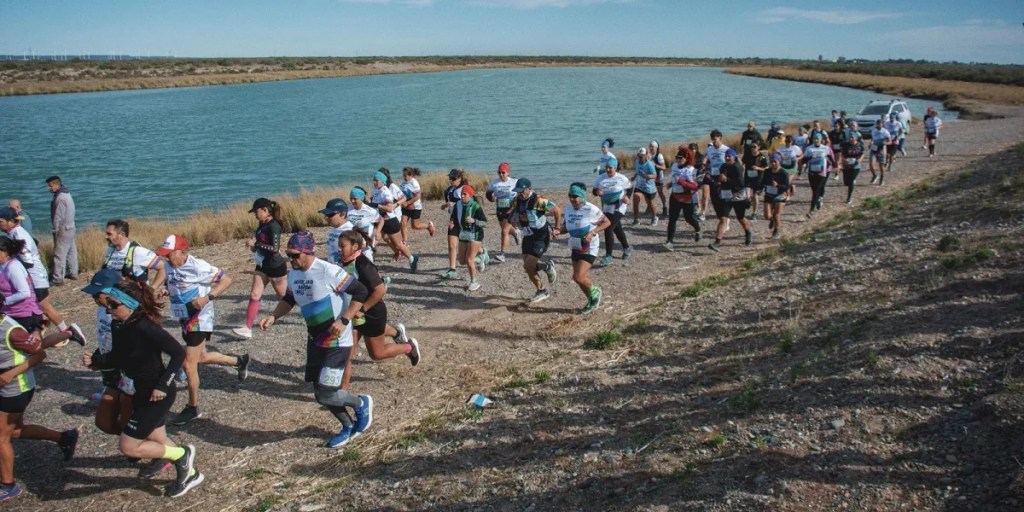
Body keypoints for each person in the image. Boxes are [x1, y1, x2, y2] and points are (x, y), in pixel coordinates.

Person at [81, 277, 203, 498]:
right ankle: (191, 473)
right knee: (158, 440)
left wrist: (163, 386)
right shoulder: (120, 325)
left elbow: (178, 353)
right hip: (140, 391)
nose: (109, 310)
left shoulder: (145, 327)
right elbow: (119, 357)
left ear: (130, 304)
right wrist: (98, 363)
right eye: (107, 304)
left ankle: (182, 454)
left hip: (157, 394)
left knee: (128, 446)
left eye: (114, 305)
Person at [258, 231, 373, 448]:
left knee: (326, 393)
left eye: (294, 255)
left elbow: (361, 291)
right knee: (320, 391)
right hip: (315, 340)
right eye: (288, 255)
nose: (291, 260)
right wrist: (274, 316)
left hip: (337, 342)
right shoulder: (294, 274)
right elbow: (290, 299)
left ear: (308, 252)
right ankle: (347, 426)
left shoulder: (328, 271)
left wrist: (345, 320)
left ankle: (361, 403)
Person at [155, 235, 249, 427]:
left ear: (182, 252)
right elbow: (173, 283)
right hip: (183, 316)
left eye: (169, 254)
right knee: (201, 357)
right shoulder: (168, 266)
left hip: (200, 319)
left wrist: (208, 297)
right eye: (164, 255)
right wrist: (166, 291)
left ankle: (192, 407)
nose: (166, 258)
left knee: (188, 364)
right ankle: (238, 361)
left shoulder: (198, 266)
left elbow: (226, 280)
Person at [0, 310, 80, 504]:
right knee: (16, 431)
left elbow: (39, 355)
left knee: (1, 438)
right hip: (6, 387)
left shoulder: (12, 332)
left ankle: (8, 486)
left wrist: (10, 374)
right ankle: (64, 437)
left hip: (15, 388)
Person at [0, 207, 84, 343]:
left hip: (36, 278)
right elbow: (35, 243)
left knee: (43, 307)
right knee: (39, 308)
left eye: (1, 221)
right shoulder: (15, 232)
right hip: (34, 277)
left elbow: (28, 261)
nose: (0, 224)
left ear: (10, 222)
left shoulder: (19, 235)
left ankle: (66, 332)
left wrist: (13, 268)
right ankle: (43, 335)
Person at [336, 231, 420, 368]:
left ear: (355, 247)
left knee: (377, 354)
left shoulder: (363, 265)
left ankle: (408, 347)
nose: (339, 249)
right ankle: (342, 389)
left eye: (342, 246)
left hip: (371, 313)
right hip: (352, 315)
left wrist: (363, 309)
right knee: (347, 357)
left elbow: (380, 290)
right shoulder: (342, 262)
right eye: (338, 245)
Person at [232, 198, 288, 339]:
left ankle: (310, 313)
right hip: (262, 266)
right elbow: (261, 244)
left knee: (286, 298)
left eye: (256, 211)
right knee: (254, 295)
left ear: (264, 210)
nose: (255, 215)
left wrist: (256, 244)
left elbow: (275, 249)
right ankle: (247, 328)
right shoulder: (261, 224)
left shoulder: (274, 226)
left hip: (276, 267)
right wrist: (253, 247)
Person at [558, 183, 611, 315]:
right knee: (578, 278)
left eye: (575, 196)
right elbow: (566, 227)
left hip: (589, 246)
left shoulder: (591, 209)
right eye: (570, 196)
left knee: (579, 276)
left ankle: (596, 292)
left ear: (582, 196)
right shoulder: (569, 208)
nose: (571, 199)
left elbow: (607, 222)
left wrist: (593, 232)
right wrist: (558, 231)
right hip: (575, 245)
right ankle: (591, 300)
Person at [509, 179, 560, 303]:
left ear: (529, 189)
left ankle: (543, 289)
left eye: (521, 191)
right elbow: (513, 214)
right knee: (528, 268)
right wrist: (513, 221)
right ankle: (544, 276)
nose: (519, 194)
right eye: (517, 191)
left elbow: (557, 210)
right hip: (527, 235)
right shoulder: (516, 200)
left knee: (528, 265)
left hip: (540, 236)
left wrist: (557, 228)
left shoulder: (539, 201)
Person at [371, 171, 420, 273]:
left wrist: (380, 206)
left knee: (398, 244)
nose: (374, 182)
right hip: (380, 220)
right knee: (381, 237)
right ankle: (369, 262)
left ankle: (412, 258)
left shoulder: (387, 191)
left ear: (383, 180)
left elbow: (390, 208)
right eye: (373, 180)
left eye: (376, 180)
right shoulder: (375, 190)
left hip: (390, 220)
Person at [708, 149, 753, 251]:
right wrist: (715, 180)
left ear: (734, 157)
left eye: (729, 156)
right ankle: (717, 243)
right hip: (726, 196)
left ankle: (748, 231)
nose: (727, 158)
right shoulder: (723, 166)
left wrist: (726, 180)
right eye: (726, 156)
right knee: (723, 219)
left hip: (738, 196)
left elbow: (741, 183)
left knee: (740, 218)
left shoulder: (737, 167)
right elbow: (720, 178)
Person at [592, 155, 631, 267]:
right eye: (607, 167)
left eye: (610, 168)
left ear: (615, 168)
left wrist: (627, 196)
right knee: (617, 228)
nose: (608, 169)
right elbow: (594, 190)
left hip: (619, 206)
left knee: (608, 227)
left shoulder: (621, 178)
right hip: (607, 207)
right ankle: (627, 248)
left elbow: (629, 187)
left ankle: (608, 256)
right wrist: (597, 192)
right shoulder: (601, 178)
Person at [662, 146, 702, 251]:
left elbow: (695, 187)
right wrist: (671, 183)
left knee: (688, 218)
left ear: (686, 158)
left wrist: (681, 182)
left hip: (688, 197)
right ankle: (669, 242)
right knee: (672, 219)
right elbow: (675, 178)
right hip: (675, 196)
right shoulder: (675, 166)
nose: (678, 160)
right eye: (677, 157)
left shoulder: (690, 170)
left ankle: (698, 229)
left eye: (680, 158)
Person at [450, 186, 487, 291]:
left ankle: (474, 282)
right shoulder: (458, 205)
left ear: (470, 195)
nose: (462, 196)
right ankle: (481, 256)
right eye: (461, 194)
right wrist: (452, 222)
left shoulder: (475, 206)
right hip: (463, 234)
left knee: (469, 260)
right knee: (461, 261)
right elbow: (454, 215)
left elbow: (484, 222)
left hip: (475, 235)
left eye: (464, 194)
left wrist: (474, 221)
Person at [45, 176, 77, 285]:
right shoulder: (67, 194)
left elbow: (58, 217)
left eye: (50, 186)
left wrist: (55, 230)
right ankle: (73, 272)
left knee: (59, 254)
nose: (48, 188)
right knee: (71, 251)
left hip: (63, 228)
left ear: (55, 184)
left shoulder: (60, 198)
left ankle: (57, 278)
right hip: (71, 226)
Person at [485, 162, 519, 263]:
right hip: (500, 210)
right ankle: (516, 233)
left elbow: (522, 192)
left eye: (503, 172)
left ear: (508, 173)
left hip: (511, 209)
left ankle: (502, 254)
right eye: (499, 172)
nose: (501, 174)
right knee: (506, 231)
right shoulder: (494, 183)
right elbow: (488, 194)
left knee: (504, 231)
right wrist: (491, 198)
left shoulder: (514, 182)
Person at [440, 169, 468, 279]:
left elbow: (469, 203)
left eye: (454, 179)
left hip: (465, 219)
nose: (451, 181)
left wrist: (454, 203)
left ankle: (482, 251)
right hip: (453, 219)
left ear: (460, 178)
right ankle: (452, 269)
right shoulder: (449, 190)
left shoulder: (465, 189)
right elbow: (449, 203)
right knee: (451, 244)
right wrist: (446, 205)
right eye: (450, 178)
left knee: (467, 243)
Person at [399, 167, 435, 246]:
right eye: (403, 175)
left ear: (410, 175)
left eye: (405, 175)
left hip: (415, 206)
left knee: (415, 226)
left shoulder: (414, 183)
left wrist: (408, 202)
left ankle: (428, 226)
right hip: (405, 206)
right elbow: (400, 193)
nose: (404, 177)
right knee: (403, 222)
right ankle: (404, 242)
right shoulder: (403, 182)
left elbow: (418, 196)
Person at [701, 130, 731, 221]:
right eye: (712, 139)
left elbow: (733, 162)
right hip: (713, 176)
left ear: (720, 138)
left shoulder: (726, 149)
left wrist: (727, 174)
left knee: (724, 198)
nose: (714, 141)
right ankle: (721, 217)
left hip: (724, 176)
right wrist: (705, 168)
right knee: (715, 199)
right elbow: (708, 162)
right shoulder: (710, 149)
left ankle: (725, 218)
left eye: (715, 139)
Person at [801, 134, 833, 217]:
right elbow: (804, 160)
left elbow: (831, 159)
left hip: (821, 172)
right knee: (814, 189)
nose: (816, 140)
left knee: (816, 190)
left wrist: (836, 167)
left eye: (817, 139)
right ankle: (819, 198)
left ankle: (811, 210)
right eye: (814, 139)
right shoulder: (809, 148)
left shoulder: (825, 148)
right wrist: (810, 157)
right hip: (811, 172)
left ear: (821, 140)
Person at [762, 153, 791, 240]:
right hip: (769, 194)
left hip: (780, 195)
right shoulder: (767, 172)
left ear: (779, 162)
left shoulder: (783, 173)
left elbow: (787, 186)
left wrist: (778, 185)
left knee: (777, 215)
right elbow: (763, 181)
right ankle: (772, 220)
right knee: (767, 215)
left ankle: (776, 231)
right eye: (771, 162)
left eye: (775, 162)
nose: (773, 164)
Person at [741, 141, 769, 220]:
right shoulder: (747, 155)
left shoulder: (761, 157)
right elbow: (742, 163)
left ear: (758, 147)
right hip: (748, 178)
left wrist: (758, 168)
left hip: (758, 179)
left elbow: (766, 167)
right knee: (747, 196)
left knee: (755, 196)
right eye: (751, 147)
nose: (752, 148)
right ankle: (748, 201)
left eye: (754, 147)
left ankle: (754, 213)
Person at [631, 147, 659, 226]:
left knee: (650, 204)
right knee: (635, 198)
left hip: (649, 187)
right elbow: (637, 171)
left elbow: (655, 175)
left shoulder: (649, 164)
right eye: (639, 155)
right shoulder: (636, 162)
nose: (640, 157)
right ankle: (636, 219)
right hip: (639, 186)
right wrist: (634, 177)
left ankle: (654, 217)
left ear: (646, 155)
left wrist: (647, 176)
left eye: (642, 155)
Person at [841, 131, 865, 205]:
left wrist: (859, 160)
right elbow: (842, 154)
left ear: (856, 138)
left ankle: (849, 197)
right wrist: (844, 160)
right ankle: (851, 182)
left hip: (856, 166)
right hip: (847, 165)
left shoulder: (859, 146)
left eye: (853, 137)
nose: (851, 139)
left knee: (851, 181)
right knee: (846, 182)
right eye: (850, 137)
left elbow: (863, 154)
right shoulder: (846, 145)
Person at [778, 135, 802, 200]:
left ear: (792, 142)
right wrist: (780, 157)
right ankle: (792, 186)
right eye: (786, 141)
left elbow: (802, 155)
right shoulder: (781, 147)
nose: (788, 143)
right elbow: (778, 154)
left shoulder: (795, 148)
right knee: (785, 180)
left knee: (787, 181)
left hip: (792, 167)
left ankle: (787, 195)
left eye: (789, 141)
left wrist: (797, 159)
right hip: (784, 166)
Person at [648, 141, 668, 217]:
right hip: (651, 177)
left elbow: (664, 167)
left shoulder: (659, 156)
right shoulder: (649, 155)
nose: (651, 148)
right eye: (650, 146)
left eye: (652, 146)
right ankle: (649, 208)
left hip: (659, 177)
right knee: (649, 193)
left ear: (656, 147)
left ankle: (664, 207)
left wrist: (655, 165)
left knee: (660, 193)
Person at [869, 119, 892, 185]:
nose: (878, 125)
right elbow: (872, 138)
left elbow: (890, 141)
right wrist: (870, 143)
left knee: (881, 165)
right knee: (871, 163)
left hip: (881, 149)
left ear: (882, 124)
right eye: (877, 124)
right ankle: (875, 175)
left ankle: (882, 178)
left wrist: (886, 143)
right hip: (874, 147)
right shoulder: (874, 130)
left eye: (879, 124)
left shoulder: (885, 132)